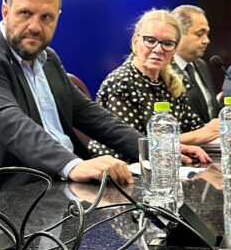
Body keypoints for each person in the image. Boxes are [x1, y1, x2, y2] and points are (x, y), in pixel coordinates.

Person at [0, 0, 207, 205]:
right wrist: (72, 165)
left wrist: (153, 148)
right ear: (5, 11)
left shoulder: (48, 59)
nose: (35, 26)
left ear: (57, 18)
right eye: (25, 13)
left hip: (58, 187)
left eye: (46, 17)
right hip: (0, 198)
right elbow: (10, 122)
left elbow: (91, 115)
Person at [88, 10, 219, 159]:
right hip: (121, 166)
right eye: (150, 41)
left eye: (167, 44)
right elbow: (133, 144)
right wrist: (195, 137)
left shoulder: (171, 82)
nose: (158, 49)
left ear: (175, 50)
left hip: (165, 161)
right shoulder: (121, 81)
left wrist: (216, 129)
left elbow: (194, 127)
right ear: (135, 42)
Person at [170, 5, 220, 124]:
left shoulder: (202, 65)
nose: (206, 40)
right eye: (199, 34)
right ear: (178, 34)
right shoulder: (164, 69)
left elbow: (209, 108)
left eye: (207, 34)